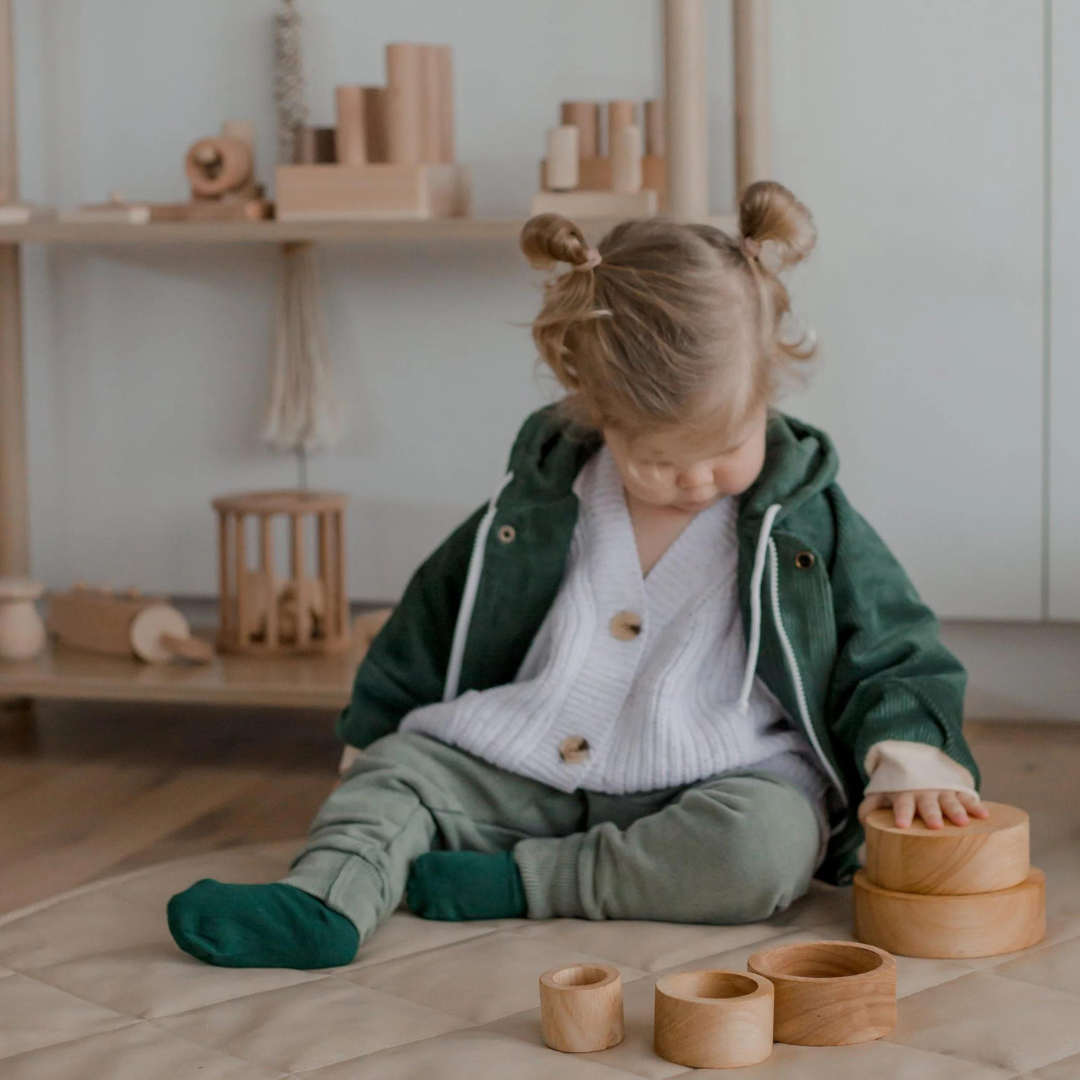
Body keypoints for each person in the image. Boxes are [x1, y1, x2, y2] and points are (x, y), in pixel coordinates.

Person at [167, 181, 985, 970]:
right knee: (397, 778)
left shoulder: (804, 521)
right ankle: (325, 903)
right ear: (595, 409)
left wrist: (908, 753)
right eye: (660, 461)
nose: (697, 480)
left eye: (725, 449)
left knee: (765, 850)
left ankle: (533, 881)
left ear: (768, 389)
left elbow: (891, 637)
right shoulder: (544, 503)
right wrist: (374, 735)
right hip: (528, 767)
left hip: (712, 784)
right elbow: (431, 618)